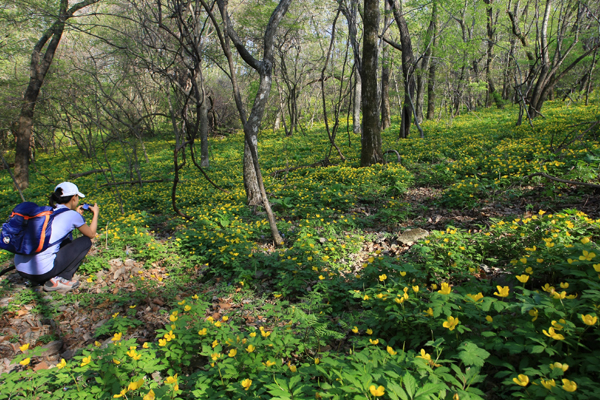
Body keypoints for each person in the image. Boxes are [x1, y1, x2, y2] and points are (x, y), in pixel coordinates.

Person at [14, 182, 99, 292]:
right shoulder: (72, 215)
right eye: (77, 197)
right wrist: (95, 213)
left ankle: (36, 280)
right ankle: (60, 279)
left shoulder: (46, 211)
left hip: (21, 269)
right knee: (85, 241)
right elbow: (91, 234)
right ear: (74, 198)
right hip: (41, 272)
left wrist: (77, 215)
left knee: (65, 241)